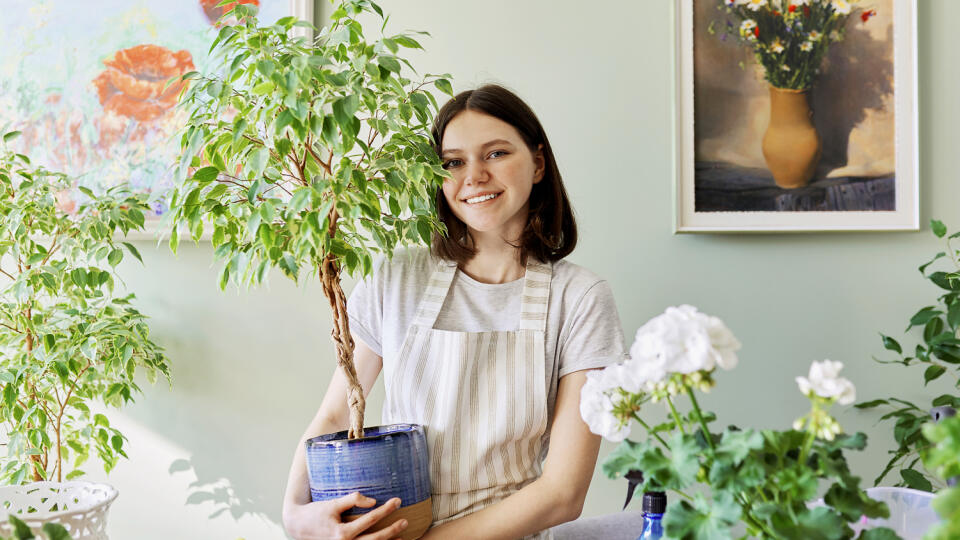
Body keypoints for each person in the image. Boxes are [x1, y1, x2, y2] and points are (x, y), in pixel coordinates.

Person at [282, 84, 627, 540]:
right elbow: (337, 416)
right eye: (453, 162)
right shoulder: (396, 277)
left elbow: (563, 493)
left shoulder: (580, 298)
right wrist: (294, 513)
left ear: (539, 163)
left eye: (496, 153)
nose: (475, 175)